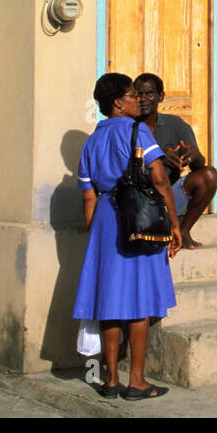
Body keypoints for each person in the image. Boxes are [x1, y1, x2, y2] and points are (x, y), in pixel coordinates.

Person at [73, 73, 181, 401]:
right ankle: (136, 380)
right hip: (137, 217)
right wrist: (174, 224)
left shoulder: (91, 142)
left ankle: (109, 380)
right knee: (139, 302)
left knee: (108, 302)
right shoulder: (139, 131)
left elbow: (88, 197)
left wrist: (97, 237)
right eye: (133, 95)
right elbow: (160, 179)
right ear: (119, 103)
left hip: (106, 220)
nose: (139, 100)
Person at [133, 73, 217, 250]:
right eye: (138, 94)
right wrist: (157, 157)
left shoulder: (176, 125)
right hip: (138, 200)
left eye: (149, 94)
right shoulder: (127, 127)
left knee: (209, 175)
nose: (143, 99)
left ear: (161, 97)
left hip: (169, 197)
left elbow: (198, 166)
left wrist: (195, 157)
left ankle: (183, 231)